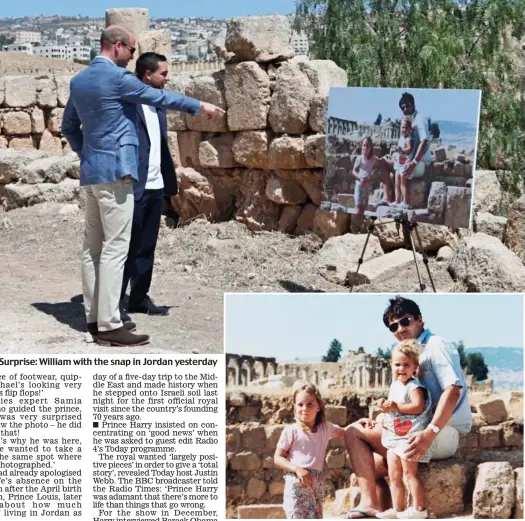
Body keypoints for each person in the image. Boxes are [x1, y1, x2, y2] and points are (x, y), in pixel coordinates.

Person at [62, 25, 222, 347]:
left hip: (93, 173)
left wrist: (88, 154)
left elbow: (69, 126)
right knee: (116, 248)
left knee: (92, 248)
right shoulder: (120, 79)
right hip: (118, 172)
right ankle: (109, 324)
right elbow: (158, 96)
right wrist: (199, 106)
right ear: (117, 46)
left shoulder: (78, 81)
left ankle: (94, 317)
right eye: (132, 51)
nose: (132, 57)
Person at [343, 296, 472, 519]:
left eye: (405, 322)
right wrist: (383, 421)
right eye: (394, 326)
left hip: (440, 432)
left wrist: (430, 433)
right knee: (371, 465)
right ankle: (389, 511)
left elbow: (453, 390)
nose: (400, 329)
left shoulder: (435, 345)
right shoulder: (407, 353)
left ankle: (369, 503)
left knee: (353, 432)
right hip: (415, 428)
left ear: (420, 319)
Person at [120, 52, 181, 318]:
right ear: (148, 75)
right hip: (133, 186)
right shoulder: (128, 103)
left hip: (156, 185)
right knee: (125, 247)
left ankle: (139, 298)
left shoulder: (158, 104)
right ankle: (114, 302)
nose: (166, 79)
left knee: (147, 245)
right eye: (163, 74)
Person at [376, 340, 434, 519]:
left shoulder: (414, 387)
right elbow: (393, 406)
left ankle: (419, 509)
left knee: (410, 473)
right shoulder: (394, 386)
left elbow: (417, 407)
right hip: (395, 436)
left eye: (406, 365)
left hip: (409, 436)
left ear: (415, 366)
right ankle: (398, 509)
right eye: (397, 364)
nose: (401, 369)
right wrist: (385, 405)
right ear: (391, 365)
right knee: (394, 475)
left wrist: (396, 406)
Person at [274, 383, 345, 519]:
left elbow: (346, 432)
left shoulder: (325, 428)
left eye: (310, 404)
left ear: (319, 407)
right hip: (296, 484)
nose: (304, 408)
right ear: (295, 406)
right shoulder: (291, 431)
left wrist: (361, 423)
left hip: (316, 485)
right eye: (300, 404)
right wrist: (297, 469)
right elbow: (278, 457)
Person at [380, 92, 432, 203]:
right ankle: (388, 198)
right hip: (407, 160)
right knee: (382, 162)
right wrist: (395, 154)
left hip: (419, 162)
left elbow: (425, 141)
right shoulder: (407, 122)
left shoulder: (419, 119)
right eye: (402, 107)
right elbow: (402, 147)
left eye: (408, 106)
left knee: (393, 171)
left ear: (414, 105)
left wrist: (413, 163)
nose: (405, 109)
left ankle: (399, 201)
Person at [351, 136, 381, 233]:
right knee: (358, 208)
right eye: (364, 145)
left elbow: (380, 165)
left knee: (364, 208)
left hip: (367, 187)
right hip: (359, 185)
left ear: (371, 147)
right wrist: (360, 177)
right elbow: (354, 171)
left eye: (367, 146)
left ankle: (362, 229)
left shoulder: (373, 159)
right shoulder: (359, 159)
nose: (365, 148)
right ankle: (354, 230)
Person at [391, 117, 415, 210]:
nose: (404, 129)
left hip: (405, 164)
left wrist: (401, 150)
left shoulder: (409, 139)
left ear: (410, 129)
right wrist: (395, 150)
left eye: (406, 128)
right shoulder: (401, 138)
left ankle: (405, 202)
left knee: (403, 183)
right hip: (398, 163)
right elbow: (399, 148)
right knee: (396, 183)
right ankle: (397, 201)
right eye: (402, 127)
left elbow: (410, 149)